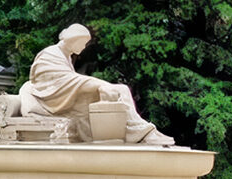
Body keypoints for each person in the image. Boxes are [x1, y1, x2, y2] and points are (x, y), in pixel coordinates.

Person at [20, 23, 174, 145]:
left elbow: (71, 80)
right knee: (117, 89)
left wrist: (99, 85)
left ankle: (141, 131)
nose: (84, 47)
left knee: (121, 89)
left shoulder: (65, 56)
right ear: (73, 39)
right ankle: (142, 133)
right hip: (54, 100)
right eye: (83, 43)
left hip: (69, 96)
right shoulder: (50, 54)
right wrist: (100, 85)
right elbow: (60, 82)